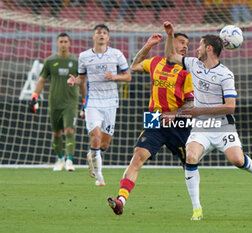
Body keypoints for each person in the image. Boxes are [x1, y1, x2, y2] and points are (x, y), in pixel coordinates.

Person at [163, 21, 252, 220]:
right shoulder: (193, 64)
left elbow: (231, 107)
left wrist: (198, 110)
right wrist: (169, 35)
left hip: (223, 126)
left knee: (237, 160)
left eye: (200, 45)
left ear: (209, 48)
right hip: (202, 126)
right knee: (190, 157)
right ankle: (197, 209)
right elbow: (170, 56)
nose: (195, 49)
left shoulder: (225, 75)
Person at [107, 33, 194, 215]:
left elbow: (190, 104)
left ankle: (196, 204)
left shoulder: (187, 72)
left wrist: (175, 114)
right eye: (181, 42)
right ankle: (121, 200)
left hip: (178, 123)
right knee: (138, 156)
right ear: (171, 44)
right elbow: (135, 65)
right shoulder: (155, 62)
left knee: (189, 163)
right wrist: (148, 46)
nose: (185, 46)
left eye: (187, 44)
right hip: (154, 118)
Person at [67, 24, 132, 186]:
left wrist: (115, 77)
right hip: (92, 102)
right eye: (98, 32)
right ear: (93, 37)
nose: (101, 35)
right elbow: (81, 78)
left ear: (108, 37)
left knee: (104, 143)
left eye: (104, 33)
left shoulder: (116, 54)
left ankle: (93, 155)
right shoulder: (84, 56)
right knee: (95, 138)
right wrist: (75, 81)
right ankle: (99, 178)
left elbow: (128, 76)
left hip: (111, 102)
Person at [28, 32, 79, 172]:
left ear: (69, 44)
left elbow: (82, 82)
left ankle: (69, 160)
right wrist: (34, 96)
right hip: (55, 102)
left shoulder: (75, 61)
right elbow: (42, 80)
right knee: (57, 133)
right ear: (57, 43)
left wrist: (86, 101)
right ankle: (60, 158)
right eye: (61, 41)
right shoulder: (50, 61)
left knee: (69, 130)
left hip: (70, 102)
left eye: (65, 41)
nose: (63, 44)